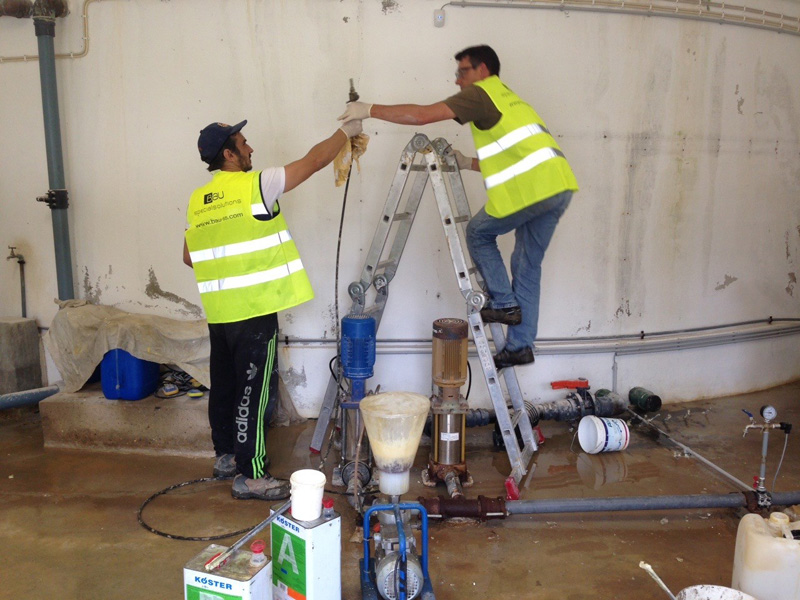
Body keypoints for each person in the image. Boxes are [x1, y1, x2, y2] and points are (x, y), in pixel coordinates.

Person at [338, 45, 578, 370]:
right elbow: (515, 156)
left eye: (462, 72)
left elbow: (421, 115)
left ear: (482, 71)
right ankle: (521, 346)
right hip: (558, 187)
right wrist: (467, 162)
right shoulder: (508, 98)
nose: (457, 80)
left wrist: (367, 110)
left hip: (534, 190)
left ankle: (505, 304)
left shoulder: (480, 93)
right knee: (526, 266)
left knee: (478, 232)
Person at [183, 118, 362, 500]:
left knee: (225, 388)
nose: (250, 149)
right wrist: (346, 132)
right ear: (229, 154)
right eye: (243, 143)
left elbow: (188, 255)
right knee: (252, 394)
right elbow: (314, 161)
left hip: (220, 313)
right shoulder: (257, 185)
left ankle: (225, 458)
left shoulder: (199, 200)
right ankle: (251, 476)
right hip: (254, 311)